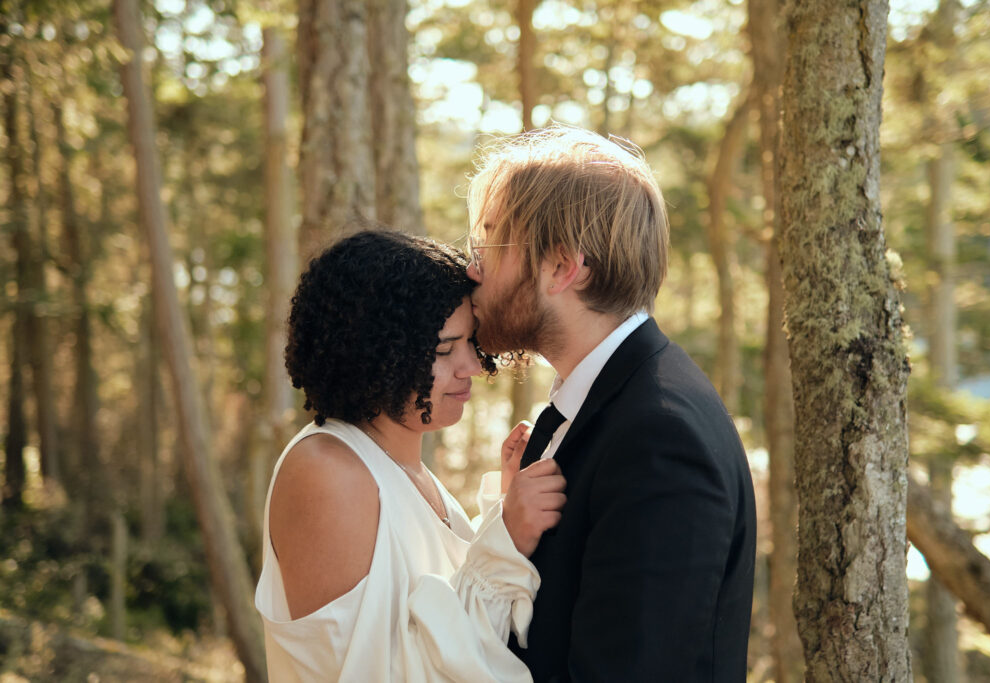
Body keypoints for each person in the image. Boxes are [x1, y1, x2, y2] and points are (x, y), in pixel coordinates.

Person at [464, 127, 757, 681]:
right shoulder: (605, 406)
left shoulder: (662, 437)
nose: (474, 267)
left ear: (561, 268)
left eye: (492, 242)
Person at [255, 229, 567, 681]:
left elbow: (431, 616)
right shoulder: (327, 473)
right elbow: (380, 672)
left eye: (470, 342)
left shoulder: (405, 470)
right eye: (444, 349)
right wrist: (507, 539)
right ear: (376, 353)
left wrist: (504, 504)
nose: (473, 367)